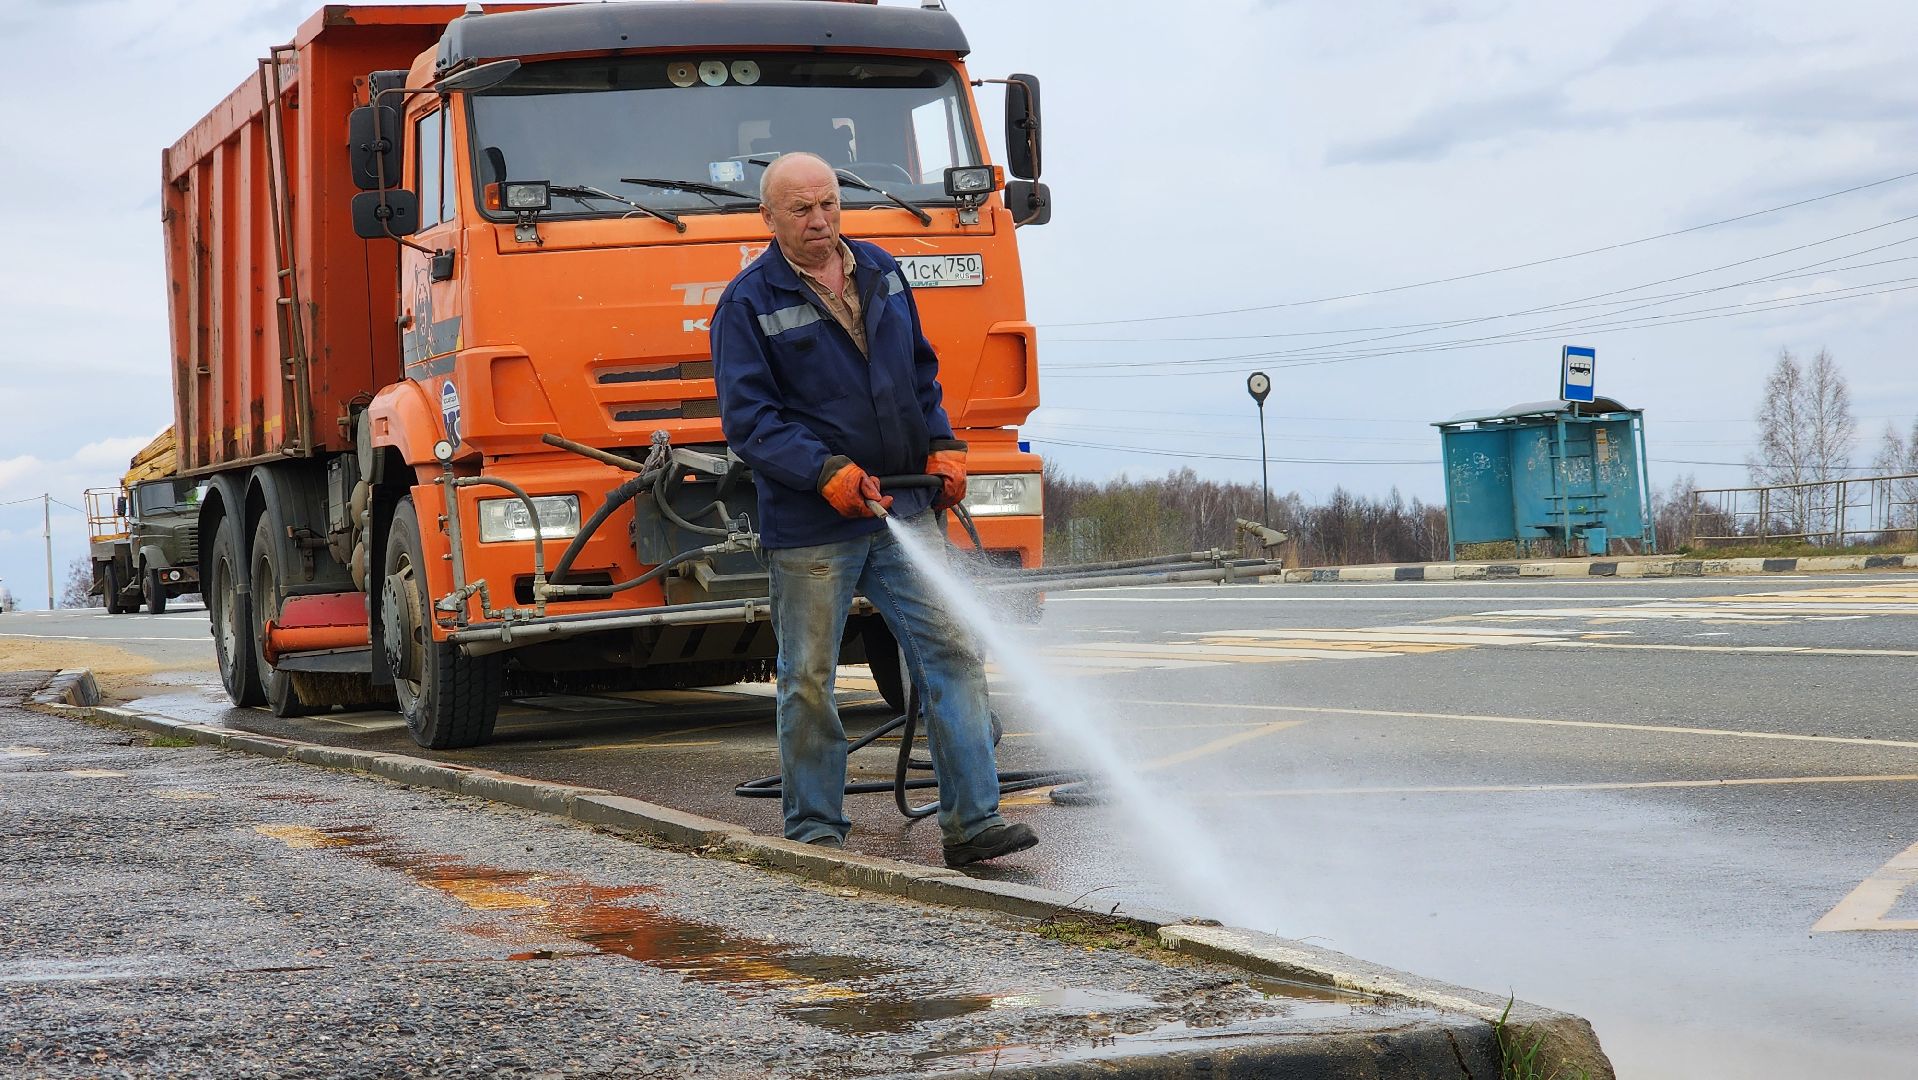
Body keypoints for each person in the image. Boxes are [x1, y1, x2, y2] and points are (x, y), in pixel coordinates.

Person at [710, 152, 1038, 868]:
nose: (821, 220)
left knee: (951, 651)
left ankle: (973, 823)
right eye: (802, 210)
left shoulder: (883, 271)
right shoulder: (747, 304)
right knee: (807, 681)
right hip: (813, 528)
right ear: (768, 219)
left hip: (901, 510)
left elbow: (920, 371)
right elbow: (750, 421)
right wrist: (822, 472)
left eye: (829, 203)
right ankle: (818, 835)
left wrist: (945, 445)